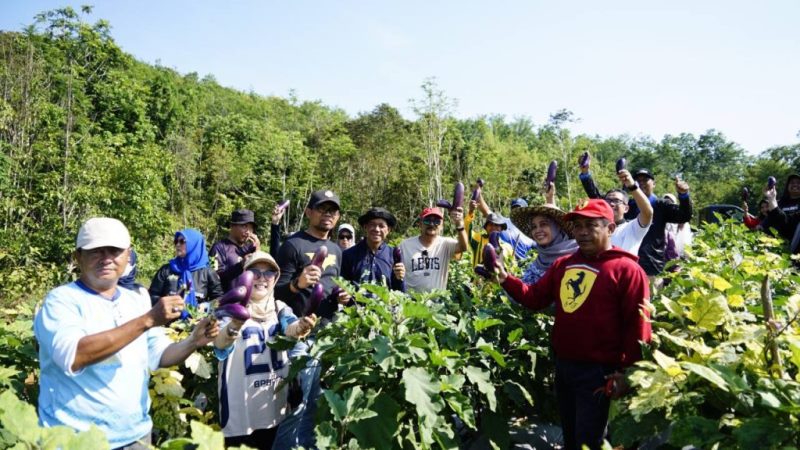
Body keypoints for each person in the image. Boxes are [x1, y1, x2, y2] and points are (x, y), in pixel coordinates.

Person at [34, 217, 218, 449]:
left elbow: (159, 353)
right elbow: (73, 355)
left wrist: (193, 341)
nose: (106, 258)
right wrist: (147, 320)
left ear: (128, 255)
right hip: (76, 441)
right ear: (78, 256)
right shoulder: (61, 301)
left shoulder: (136, 300)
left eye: (115, 251)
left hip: (135, 436)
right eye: (96, 251)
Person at [493, 200, 652, 450]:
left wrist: (628, 372)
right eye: (577, 226)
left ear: (610, 229)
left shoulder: (627, 270)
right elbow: (535, 298)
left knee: (589, 439)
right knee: (571, 434)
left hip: (600, 372)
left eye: (591, 225)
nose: (583, 232)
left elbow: (638, 325)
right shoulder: (563, 264)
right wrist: (505, 278)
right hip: (565, 366)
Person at [213, 251, 316, 450]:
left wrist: (302, 326)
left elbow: (291, 328)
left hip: (271, 407)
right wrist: (235, 325)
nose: (262, 278)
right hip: (239, 410)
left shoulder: (279, 308)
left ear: (275, 278)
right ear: (244, 276)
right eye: (254, 272)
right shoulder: (229, 308)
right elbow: (220, 344)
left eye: (269, 273)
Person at [272, 189, 348, 450]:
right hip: (298, 335)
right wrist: (297, 284)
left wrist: (342, 296)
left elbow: (334, 285)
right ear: (308, 212)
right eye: (321, 209)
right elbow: (275, 292)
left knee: (315, 404)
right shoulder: (293, 245)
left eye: (332, 210)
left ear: (337, 217)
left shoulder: (337, 250)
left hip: (327, 335)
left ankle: (305, 446)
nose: (327, 214)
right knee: (297, 404)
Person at [577, 155, 692, 278]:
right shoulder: (628, 205)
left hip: (651, 267)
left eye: (645, 180)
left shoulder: (661, 205)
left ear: (654, 184)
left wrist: (684, 196)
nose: (641, 183)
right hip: (624, 269)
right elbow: (600, 201)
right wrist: (585, 175)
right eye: (638, 180)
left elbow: (684, 216)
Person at [148, 229, 223, 313]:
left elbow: (219, 299)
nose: (177, 245)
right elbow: (152, 296)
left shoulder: (207, 273)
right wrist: (167, 303)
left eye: (182, 241)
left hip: (196, 320)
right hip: (166, 319)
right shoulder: (166, 270)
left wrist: (206, 306)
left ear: (194, 244)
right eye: (176, 241)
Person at [398, 206, 469, 293]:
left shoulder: (446, 244)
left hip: (437, 300)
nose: (432, 224)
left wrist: (460, 224)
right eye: (427, 220)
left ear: (441, 226)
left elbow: (463, 247)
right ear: (420, 224)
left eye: (437, 221)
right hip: (411, 299)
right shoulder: (405, 245)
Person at [341, 207, 405, 292]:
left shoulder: (393, 255)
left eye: (381, 226)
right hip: (356, 300)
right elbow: (342, 286)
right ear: (365, 227)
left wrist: (400, 278)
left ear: (388, 230)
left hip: (385, 300)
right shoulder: (349, 255)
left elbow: (399, 292)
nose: (376, 229)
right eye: (372, 225)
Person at [210, 209, 261, 291]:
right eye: (244, 226)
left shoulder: (251, 249)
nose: (248, 232)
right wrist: (240, 265)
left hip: (249, 298)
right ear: (231, 226)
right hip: (226, 298)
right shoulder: (218, 248)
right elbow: (213, 278)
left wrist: (258, 251)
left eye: (251, 228)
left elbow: (260, 275)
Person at [763, 174, 800, 252]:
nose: (795, 184)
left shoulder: (775, 204)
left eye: (798, 183)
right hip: (774, 246)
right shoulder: (780, 203)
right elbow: (768, 221)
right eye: (792, 182)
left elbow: (788, 221)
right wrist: (760, 226)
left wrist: (772, 200)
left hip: (795, 250)